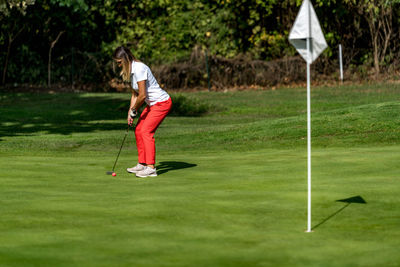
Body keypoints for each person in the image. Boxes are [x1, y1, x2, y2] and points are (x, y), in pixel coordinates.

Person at [113, 46, 172, 178]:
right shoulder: (131, 70)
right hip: (153, 104)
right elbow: (135, 94)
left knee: (146, 131)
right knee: (139, 129)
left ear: (125, 59)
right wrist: (130, 111)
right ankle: (142, 163)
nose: (118, 65)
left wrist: (135, 109)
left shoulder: (139, 68)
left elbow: (142, 95)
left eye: (119, 62)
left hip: (162, 103)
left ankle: (151, 168)